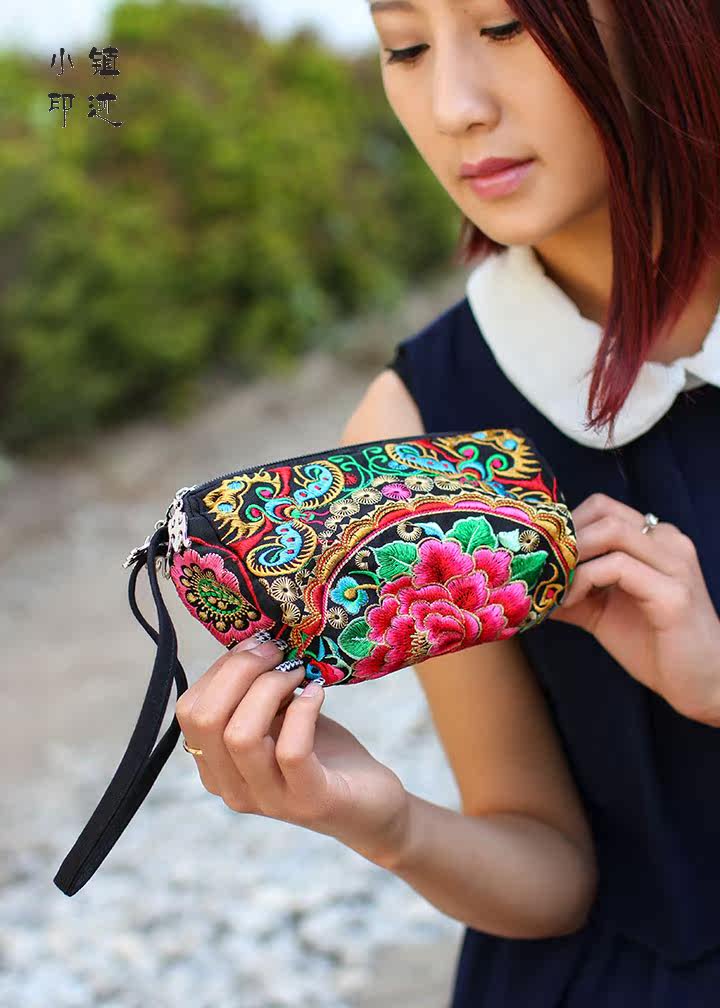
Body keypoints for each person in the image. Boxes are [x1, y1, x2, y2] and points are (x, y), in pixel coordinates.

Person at [175, 1, 720, 1003]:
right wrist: (382, 821)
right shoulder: (416, 431)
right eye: (406, 48)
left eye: (505, 28)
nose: (452, 106)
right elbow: (553, 875)